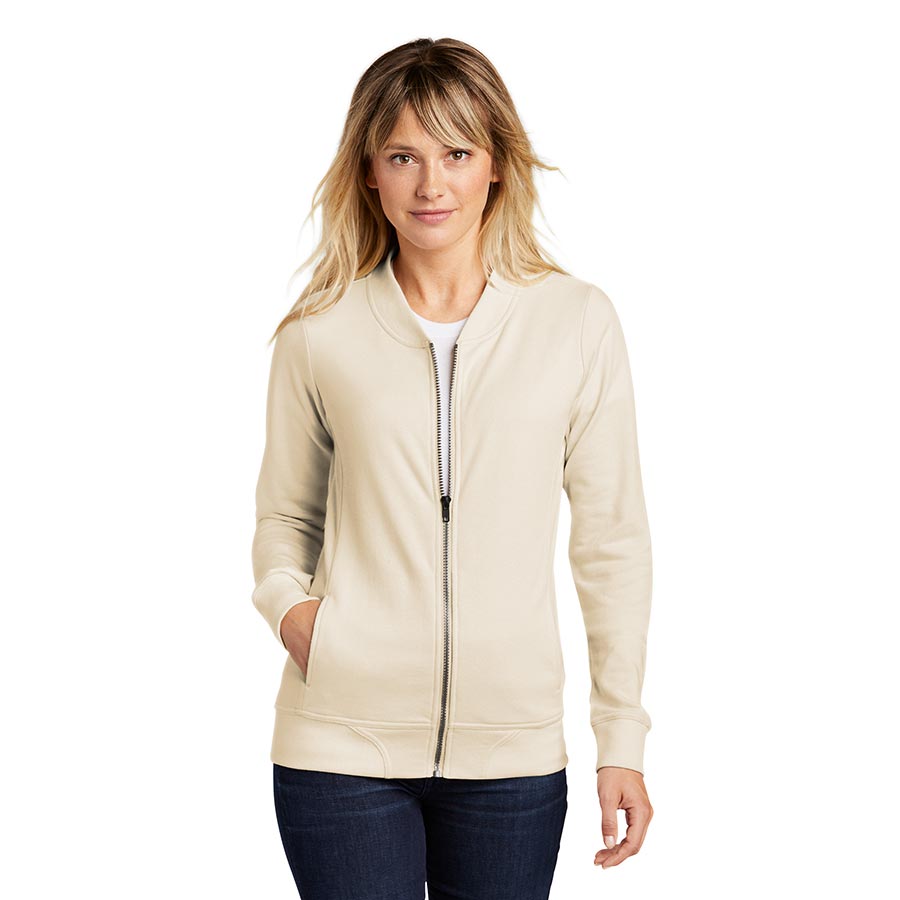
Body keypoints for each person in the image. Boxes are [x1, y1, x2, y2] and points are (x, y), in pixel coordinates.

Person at [251, 36, 654, 900]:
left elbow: (612, 540)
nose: (431, 185)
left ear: (497, 164)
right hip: (340, 745)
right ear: (369, 172)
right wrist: (297, 616)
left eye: (457, 154)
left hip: (512, 754)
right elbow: (285, 517)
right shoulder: (319, 332)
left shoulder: (576, 322)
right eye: (403, 156)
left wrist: (620, 736)